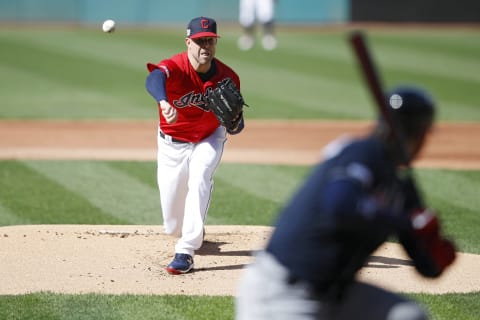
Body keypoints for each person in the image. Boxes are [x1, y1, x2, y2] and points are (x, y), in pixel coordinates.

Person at [236, 86, 456, 319]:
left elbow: (426, 266)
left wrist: (435, 252)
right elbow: (339, 204)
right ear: (416, 134)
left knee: (408, 315)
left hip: (335, 292)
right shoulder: (363, 154)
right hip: (284, 293)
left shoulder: (401, 188)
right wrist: (405, 223)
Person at [145, 16, 245, 275]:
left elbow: (237, 123)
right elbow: (154, 78)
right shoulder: (174, 67)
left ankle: (186, 251)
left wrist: (235, 123)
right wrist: (163, 101)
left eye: (210, 41)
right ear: (188, 42)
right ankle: (187, 231)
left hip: (209, 137)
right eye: (200, 41)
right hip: (172, 144)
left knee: (201, 177)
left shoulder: (228, 76)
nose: (205, 47)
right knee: (171, 224)